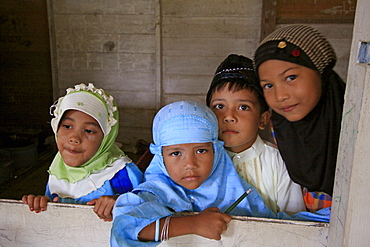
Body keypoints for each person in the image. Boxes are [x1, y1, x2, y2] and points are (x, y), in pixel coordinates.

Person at [111, 100, 329, 246]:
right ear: (160, 156)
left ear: (217, 150)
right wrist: (193, 224)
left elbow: (270, 227)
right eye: (176, 153)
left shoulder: (234, 189)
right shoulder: (157, 191)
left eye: (201, 150)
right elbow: (127, 227)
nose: (190, 164)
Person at [254, 24, 346, 212]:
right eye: (268, 85)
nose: (280, 96)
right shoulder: (279, 126)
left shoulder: (356, 123)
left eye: (291, 77)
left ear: (321, 73)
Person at [22, 83, 143, 221]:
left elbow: (151, 207)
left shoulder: (120, 173)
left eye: (89, 131)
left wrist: (124, 203)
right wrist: (41, 204)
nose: (74, 138)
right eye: (67, 126)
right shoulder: (58, 169)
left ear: (106, 138)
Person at [206, 54, 305, 215]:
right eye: (219, 106)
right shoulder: (199, 158)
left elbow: (294, 222)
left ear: (263, 119)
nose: (229, 116)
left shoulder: (281, 161)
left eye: (243, 107)